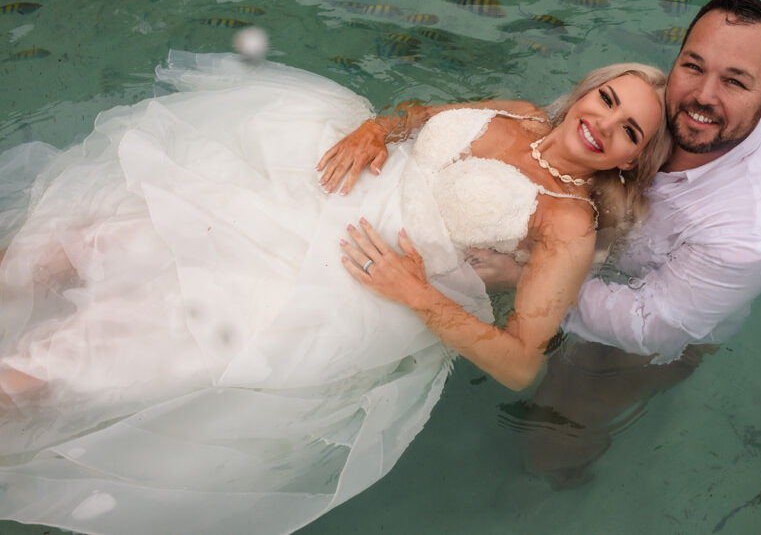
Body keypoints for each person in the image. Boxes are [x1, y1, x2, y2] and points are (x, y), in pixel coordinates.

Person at [0, 50, 669, 535]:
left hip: (353, 276)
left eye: (629, 130)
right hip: (317, 190)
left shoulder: (568, 221)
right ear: (588, 89)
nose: (605, 123)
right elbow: (422, 117)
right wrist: (380, 127)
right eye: (608, 99)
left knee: (114, 339)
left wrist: (417, 292)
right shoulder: (521, 114)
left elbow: (524, 361)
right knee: (102, 237)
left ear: (629, 160)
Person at [516, 0, 761, 486]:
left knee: (558, 420)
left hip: (652, 337)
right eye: (694, 66)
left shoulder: (752, 234)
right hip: (594, 258)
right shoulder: (649, 104)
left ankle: (561, 479)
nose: (703, 96)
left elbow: (652, 326)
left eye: (735, 81)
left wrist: (533, 273)